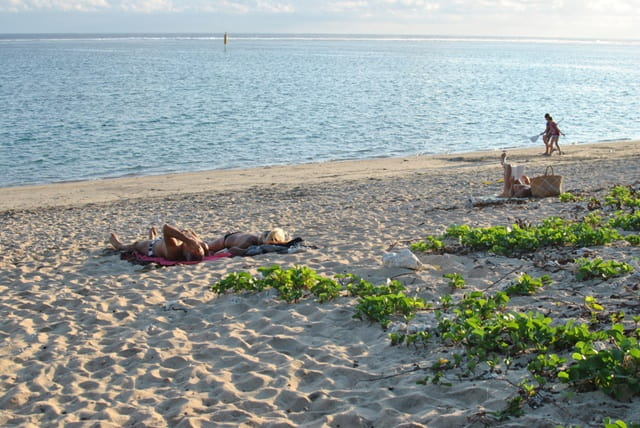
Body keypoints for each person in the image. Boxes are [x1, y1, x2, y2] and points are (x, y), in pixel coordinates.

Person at [109, 224, 208, 262]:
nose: (197, 245)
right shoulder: (201, 247)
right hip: (160, 243)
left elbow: (166, 228)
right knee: (156, 240)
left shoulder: (174, 249)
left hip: (150, 247)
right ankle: (152, 236)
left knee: (131, 246)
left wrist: (188, 240)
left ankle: (118, 244)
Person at [206, 228, 289, 256]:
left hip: (239, 236)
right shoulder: (249, 242)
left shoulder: (261, 240)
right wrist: (244, 251)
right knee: (206, 247)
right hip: (226, 240)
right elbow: (232, 250)